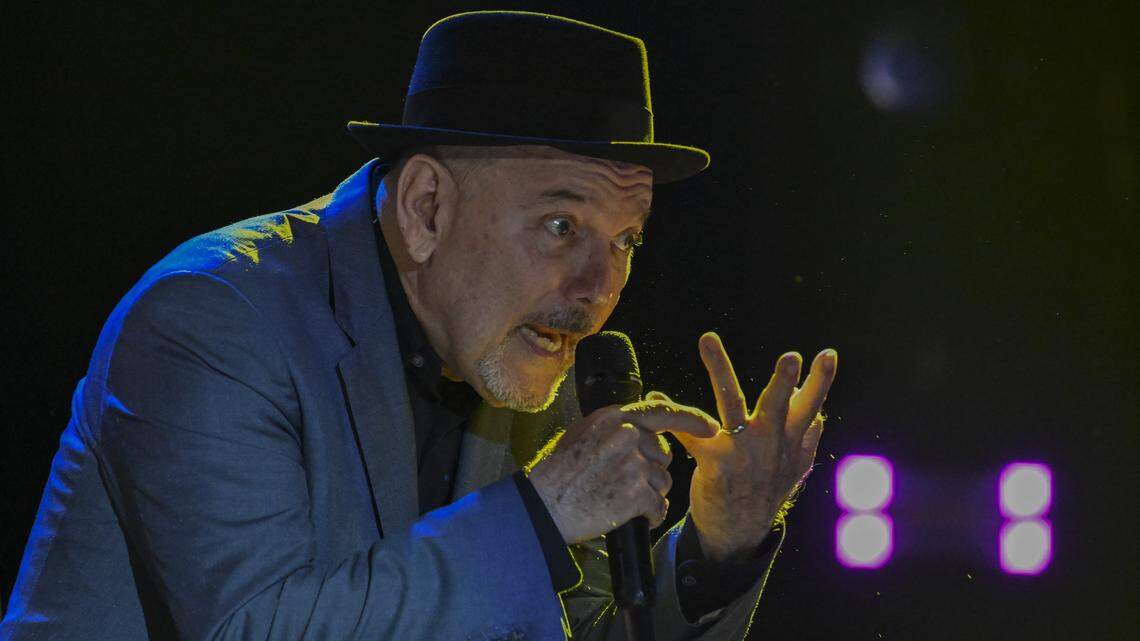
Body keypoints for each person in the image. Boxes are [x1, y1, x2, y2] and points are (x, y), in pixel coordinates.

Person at [1, 10, 838, 641]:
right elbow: (254, 627)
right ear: (427, 205)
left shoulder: (509, 350)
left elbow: (558, 623)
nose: (599, 288)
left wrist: (718, 548)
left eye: (625, 241)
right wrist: (539, 515)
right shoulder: (211, 321)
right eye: (560, 226)